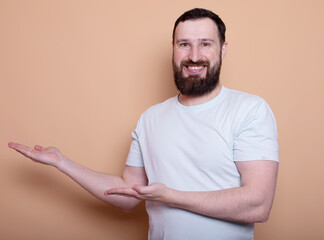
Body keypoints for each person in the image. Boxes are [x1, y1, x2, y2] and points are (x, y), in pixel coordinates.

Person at [8, 8, 279, 240]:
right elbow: (128, 195)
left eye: (205, 44)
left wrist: (170, 196)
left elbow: (258, 205)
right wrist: (61, 162)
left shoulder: (249, 110)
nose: (194, 55)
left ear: (223, 48)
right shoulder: (151, 118)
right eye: (184, 44)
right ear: (173, 49)